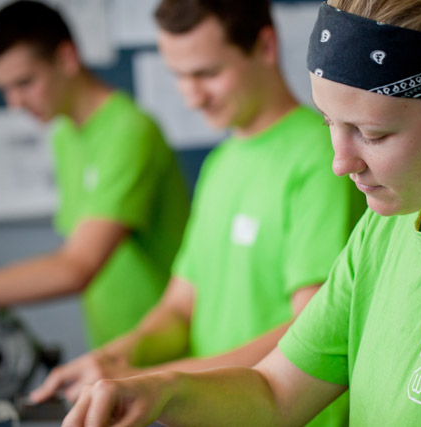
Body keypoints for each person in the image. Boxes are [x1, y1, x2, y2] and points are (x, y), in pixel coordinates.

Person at [59, 0, 421, 426]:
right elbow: (275, 392)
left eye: (372, 134)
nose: (340, 163)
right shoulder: (387, 222)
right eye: (329, 121)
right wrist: (160, 392)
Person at [31, 0, 366, 426]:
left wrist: (157, 382)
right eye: (179, 76)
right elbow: (179, 308)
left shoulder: (322, 158)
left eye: (207, 73)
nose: (192, 97)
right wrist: (112, 359)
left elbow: (311, 330)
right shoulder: (220, 164)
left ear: (265, 47)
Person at [0, 1, 190, 348]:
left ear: (66, 58)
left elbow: (77, 266)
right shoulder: (64, 135)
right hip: (112, 350)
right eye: (5, 89)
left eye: (25, 82)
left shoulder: (129, 131)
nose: (14, 102)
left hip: (166, 352)